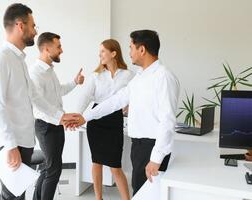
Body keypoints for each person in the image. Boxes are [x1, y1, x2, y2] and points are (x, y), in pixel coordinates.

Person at [68, 30, 180, 196]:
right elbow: (116, 101)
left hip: (151, 146)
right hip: (139, 146)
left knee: (147, 194)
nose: (129, 52)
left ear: (142, 50)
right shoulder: (140, 77)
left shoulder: (162, 77)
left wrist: (156, 159)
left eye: (131, 47)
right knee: (139, 191)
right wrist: (85, 117)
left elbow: (167, 121)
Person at [0, 4, 78, 200]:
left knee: (18, 195)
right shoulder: (1, 58)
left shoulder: (19, 61)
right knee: (12, 197)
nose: (35, 31)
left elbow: (34, 97)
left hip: (25, 141)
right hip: (11, 143)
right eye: (33, 25)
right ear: (20, 25)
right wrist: (10, 146)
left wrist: (61, 117)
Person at [29, 32, 84, 200]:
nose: (61, 50)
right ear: (46, 48)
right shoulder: (36, 72)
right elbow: (38, 104)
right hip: (46, 126)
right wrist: (62, 117)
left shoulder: (49, 70)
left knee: (48, 167)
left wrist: (75, 82)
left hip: (55, 125)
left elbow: (58, 91)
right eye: (58, 46)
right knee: (53, 170)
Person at [76, 39, 134, 200]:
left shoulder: (129, 75)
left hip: (114, 121)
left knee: (115, 166)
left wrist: (129, 106)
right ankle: (98, 198)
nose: (99, 54)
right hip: (96, 121)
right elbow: (85, 97)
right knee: (97, 162)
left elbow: (134, 96)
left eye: (102, 51)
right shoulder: (96, 76)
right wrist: (75, 117)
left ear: (113, 53)